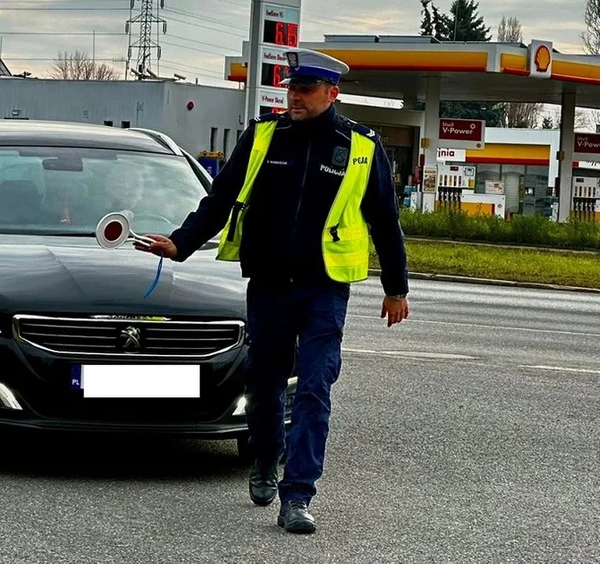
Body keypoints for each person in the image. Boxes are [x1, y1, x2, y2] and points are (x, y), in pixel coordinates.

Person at [136, 49, 410, 535]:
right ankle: (265, 457)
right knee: (264, 388)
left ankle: (298, 495)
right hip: (268, 286)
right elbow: (218, 199)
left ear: (332, 93)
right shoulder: (263, 136)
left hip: (324, 289)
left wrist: (396, 288)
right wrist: (180, 242)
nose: (295, 97)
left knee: (314, 389)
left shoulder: (362, 147)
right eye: (291, 88)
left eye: (305, 90)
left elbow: (385, 221)